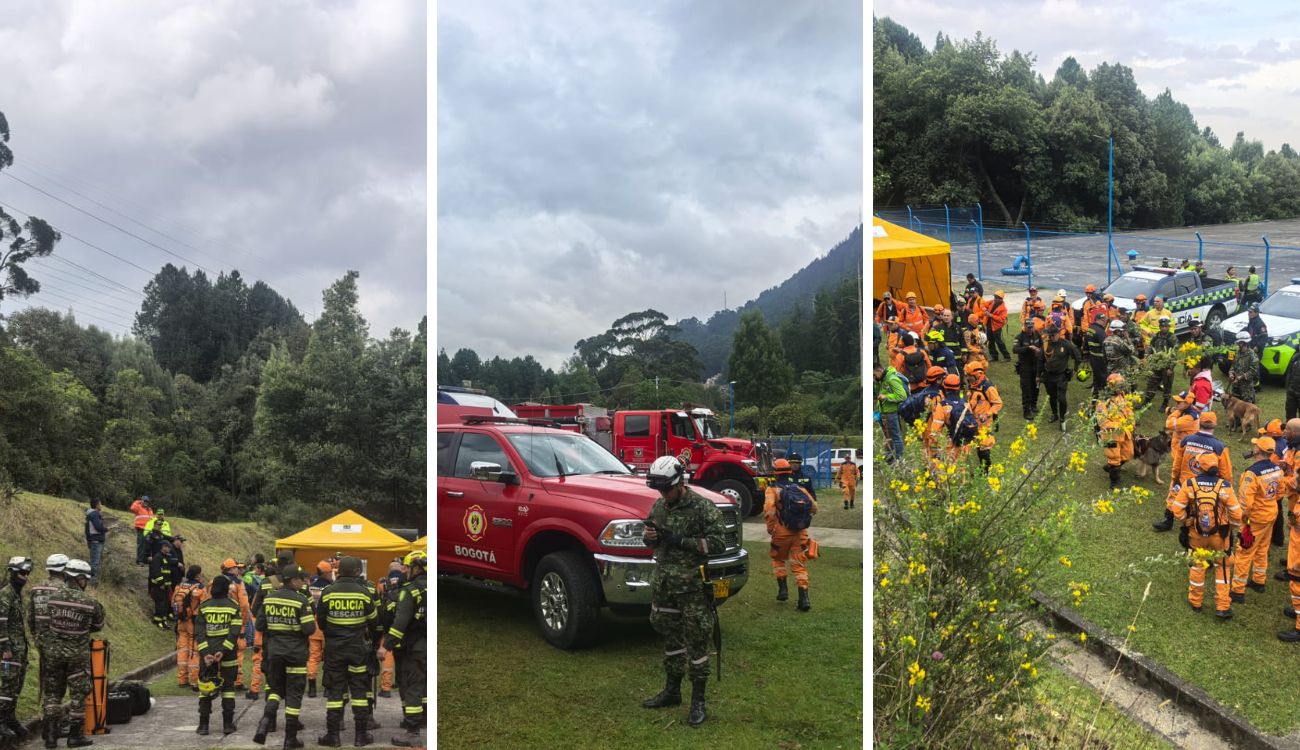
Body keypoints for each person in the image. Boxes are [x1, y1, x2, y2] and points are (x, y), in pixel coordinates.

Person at [638, 457, 723, 728]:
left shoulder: (702, 507)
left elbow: (719, 544)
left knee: (697, 640)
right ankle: (672, 691)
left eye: (667, 489)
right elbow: (650, 538)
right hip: (665, 585)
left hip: (692, 588)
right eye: (659, 490)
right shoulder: (660, 505)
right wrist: (649, 538)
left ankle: (698, 701)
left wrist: (680, 541)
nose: (663, 495)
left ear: (680, 483)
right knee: (671, 639)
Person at [1169, 454, 1242, 619]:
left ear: (1199, 466)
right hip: (1220, 536)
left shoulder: (1190, 484)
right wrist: (1230, 527)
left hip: (1196, 534)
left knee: (1197, 565)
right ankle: (1223, 606)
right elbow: (1237, 513)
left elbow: (1176, 509)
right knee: (1222, 567)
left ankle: (1196, 602)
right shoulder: (1225, 486)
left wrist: (1187, 521)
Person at [41, 559, 103, 749]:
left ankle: (51, 737)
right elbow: (97, 626)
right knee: (78, 695)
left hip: (53, 654)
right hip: (77, 655)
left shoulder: (52, 598)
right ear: (80, 578)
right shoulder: (91, 603)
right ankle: (75, 736)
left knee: (52, 694)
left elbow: (46, 622)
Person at [316, 557, 378, 747]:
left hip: (334, 650)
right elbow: (374, 622)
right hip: (357, 649)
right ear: (357, 572)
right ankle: (361, 736)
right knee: (359, 691)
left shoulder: (327, 592)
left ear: (339, 571)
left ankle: (333, 737)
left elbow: (321, 622)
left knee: (335, 691)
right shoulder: (364, 593)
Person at [253, 564, 315, 748]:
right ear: (293, 580)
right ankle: (290, 739)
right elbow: (309, 629)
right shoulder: (300, 601)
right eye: (300, 579)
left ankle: (265, 722)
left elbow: (259, 626)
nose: (302, 582)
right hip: (295, 654)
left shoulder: (270, 599)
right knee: (294, 695)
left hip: (274, 654)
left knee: (274, 690)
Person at [1231, 437, 1289, 605]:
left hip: (1254, 520)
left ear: (1257, 451)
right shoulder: (1278, 469)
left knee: (1244, 552)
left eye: (1255, 446)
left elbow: (1245, 503)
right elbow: (1279, 494)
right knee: (1262, 548)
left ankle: (1237, 590)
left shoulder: (1251, 473)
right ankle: (1258, 580)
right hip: (1271, 515)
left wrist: (1242, 518)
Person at [381, 551, 426, 747]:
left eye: (407, 567)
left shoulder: (410, 590)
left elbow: (400, 624)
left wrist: (386, 646)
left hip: (414, 648)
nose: (405, 571)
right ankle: (424, 721)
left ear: (416, 567)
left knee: (413, 688)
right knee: (425, 687)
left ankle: (413, 733)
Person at [764, 459, 817, 609]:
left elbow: (769, 511)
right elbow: (814, 508)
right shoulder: (800, 488)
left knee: (778, 559)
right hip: (800, 533)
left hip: (781, 533)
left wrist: (771, 528)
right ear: (790, 472)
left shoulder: (772, 490)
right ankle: (804, 599)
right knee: (799, 566)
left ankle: (783, 590)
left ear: (774, 473)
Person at [195, 574, 240, 737]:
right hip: (228, 653)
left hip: (207, 654)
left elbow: (199, 632)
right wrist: (223, 650)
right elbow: (234, 632)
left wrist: (206, 654)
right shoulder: (233, 606)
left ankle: (203, 725)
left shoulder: (204, 606)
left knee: (206, 687)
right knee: (228, 688)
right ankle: (228, 724)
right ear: (227, 589)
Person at [1153, 392, 1202, 532]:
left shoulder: (1189, 418)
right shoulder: (1186, 412)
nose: (1177, 404)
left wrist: (1175, 412)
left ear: (1187, 403)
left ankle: (1171, 520)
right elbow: (1170, 411)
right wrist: (1173, 410)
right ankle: (1175, 518)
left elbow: (1169, 424)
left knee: (1177, 487)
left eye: (1180, 402)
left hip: (1186, 461)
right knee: (1178, 487)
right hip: (1182, 457)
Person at [0, 557, 31, 740]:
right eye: (21, 574)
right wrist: (5, 647)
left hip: (20, 649)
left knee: (17, 685)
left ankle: (10, 717)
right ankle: (1, 720)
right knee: (8, 686)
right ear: (12, 573)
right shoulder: (6, 594)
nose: (25, 578)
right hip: (9, 651)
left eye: (27, 574)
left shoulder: (16, 594)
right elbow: (1, 622)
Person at [924, 374, 975, 465]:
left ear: (945, 386)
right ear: (958, 387)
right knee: (961, 469)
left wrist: (935, 448)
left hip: (949, 445)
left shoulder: (943, 405)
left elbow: (935, 431)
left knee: (949, 472)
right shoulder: (965, 403)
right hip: (964, 445)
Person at [1096, 374, 1135, 489]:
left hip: (1125, 433)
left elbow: (1128, 409)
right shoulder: (1103, 401)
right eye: (1119, 385)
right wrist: (1121, 426)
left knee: (1129, 454)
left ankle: (1110, 467)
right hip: (1111, 436)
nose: (1121, 387)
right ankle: (1114, 483)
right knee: (1114, 459)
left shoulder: (1122, 396)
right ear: (1112, 385)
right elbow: (1102, 421)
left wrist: (1131, 422)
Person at [1041, 324, 1083, 428]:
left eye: (1053, 335)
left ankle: (1062, 418)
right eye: (1049, 335)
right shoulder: (1046, 344)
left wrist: (1075, 370)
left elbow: (1078, 357)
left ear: (1058, 334)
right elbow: (1040, 360)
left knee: (1061, 398)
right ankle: (1055, 414)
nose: (1051, 337)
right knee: (1051, 396)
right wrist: (1038, 375)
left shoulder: (1066, 344)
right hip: (1048, 375)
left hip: (1061, 376)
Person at [965, 362, 1003, 475]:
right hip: (974, 421)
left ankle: (986, 472)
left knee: (984, 447)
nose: (968, 379)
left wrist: (987, 414)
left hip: (985, 422)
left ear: (977, 374)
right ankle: (982, 470)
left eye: (969, 376)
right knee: (977, 446)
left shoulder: (988, 387)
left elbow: (998, 403)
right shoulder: (974, 385)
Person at [171, 565, 205, 690]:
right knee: (194, 652)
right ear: (197, 575)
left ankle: (182, 679)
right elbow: (204, 606)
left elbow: (173, 603)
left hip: (181, 622)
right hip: (194, 623)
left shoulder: (179, 586)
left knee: (182, 650)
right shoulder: (200, 588)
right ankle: (194, 681)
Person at [306, 561, 333, 699]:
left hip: (313, 627)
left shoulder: (310, 588)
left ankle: (311, 689)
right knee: (328, 658)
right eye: (330, 572)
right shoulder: (331, 588)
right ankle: (327, 689)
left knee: (313, 657)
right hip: (328, 627)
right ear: (326, 573)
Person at [376, 569, 404, 699]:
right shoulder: (408, 594)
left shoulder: (389, 596)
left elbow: (384, 615)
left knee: (387, 660)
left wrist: (384, 631)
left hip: (389, 634)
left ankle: (386, 688)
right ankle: (402, 683)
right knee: (405, 660)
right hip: (405, 634)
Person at [873, 361, 907, 463]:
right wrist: (876, 384)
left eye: (874, 374)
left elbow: (902, 396)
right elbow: (880, 392)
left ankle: (899, 460)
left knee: (896, 437)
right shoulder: (882, 380)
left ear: (880, 370)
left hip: (892, 412)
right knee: (887, 437)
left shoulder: (891, 379)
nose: (874, 377)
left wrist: (886, 397)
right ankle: (890, 457)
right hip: (884, 411)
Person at [1013, 317, 1045, 419]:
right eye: (1028, 327)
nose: (1030, 329)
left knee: (1036, 386)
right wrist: (1028, 348)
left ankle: (1033, 405)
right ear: (1025, 326)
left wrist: (1039, 351)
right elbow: (1015, 349)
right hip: (1025, 367)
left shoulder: (1037, 335)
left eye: (1032, 327)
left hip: (1036, 366)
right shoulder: (1019, 337)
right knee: (1026, 388)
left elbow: (1042, 346)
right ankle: (1026, 411)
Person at [1145, 317, 1178, 411]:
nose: (1164, 328)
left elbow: (1174, 354)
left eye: (1166, 326)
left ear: (1168, 327)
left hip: (1166, 366)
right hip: (1156, 365)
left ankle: (1165, 403)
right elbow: (1151, 347)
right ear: (1159, 327)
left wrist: (1170, 368)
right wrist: (1147, 356)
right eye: (1162, 326)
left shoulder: (1172, 337)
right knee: (1152, 382)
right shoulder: (1156, 336)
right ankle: (1146, 402)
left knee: (1167, 385)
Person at [149, 539, 179, 629]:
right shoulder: (158, 557)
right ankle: (158, 621)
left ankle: (164, 620)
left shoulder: (166, 557)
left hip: (166, 585)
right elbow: (156, 572)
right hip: (159, 586)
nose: (169, 549)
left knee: (166, 604)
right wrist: (161, 583)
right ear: (163, 547)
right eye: (168, 547)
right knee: (160, 604)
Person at [1085, 309, 1110, 402]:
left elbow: (1085, 344)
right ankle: (1102, 399)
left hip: (1093, 358)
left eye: (1105, 321)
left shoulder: (1090, 328)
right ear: (1098, 320)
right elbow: (1106, 346)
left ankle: (1094, 395)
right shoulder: (1100, 332)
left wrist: (1086, 356)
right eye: (1103, 320)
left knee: (1096, 378)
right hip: (1100, 359)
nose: (1104, 322)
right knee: (1103, 380)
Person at [1230, 331, 1260, 403]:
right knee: (1235, 405)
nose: (1238, 344)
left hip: (1246, 388)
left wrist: (1241, 377)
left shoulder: (1253, 356)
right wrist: (1231, 373)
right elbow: (1233, 366)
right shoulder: (1237, 353)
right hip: (1236, 386)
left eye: (1239, 343)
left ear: (1244, 343)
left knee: (1247, 408)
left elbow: (1253, 371)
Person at [83, 500, 108, 584]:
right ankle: (91, 580)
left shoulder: (94, 514)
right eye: (100, 504)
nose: (101, 505)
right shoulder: (94, 514)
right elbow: (98, 527)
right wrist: (107, 529)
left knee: (95, 561)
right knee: (95, 562)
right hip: (96, 541)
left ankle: (90, 578)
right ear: (97, 505)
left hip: (95, 540)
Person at [129, 496, 153, 566]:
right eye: (144, 501)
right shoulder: (138, 507)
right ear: (142, 501)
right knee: (141, 544)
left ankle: (144, 560)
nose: (146, 503)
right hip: (141, 529)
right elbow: (132, 508)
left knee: (147, 545)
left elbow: (151, 520)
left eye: (147, 501)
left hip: (148, 530)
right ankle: (139, 560)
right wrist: (138, 501)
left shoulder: (150, 510)